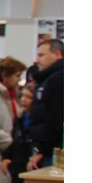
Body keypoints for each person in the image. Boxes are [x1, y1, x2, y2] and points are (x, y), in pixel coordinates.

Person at [26, 38, 63, 169]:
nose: (37, 60)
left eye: (42, 55)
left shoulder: (59, 79)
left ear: (58, 54)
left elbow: (55, 117)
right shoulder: (47, 79)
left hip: (53, 151)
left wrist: (43, 150)